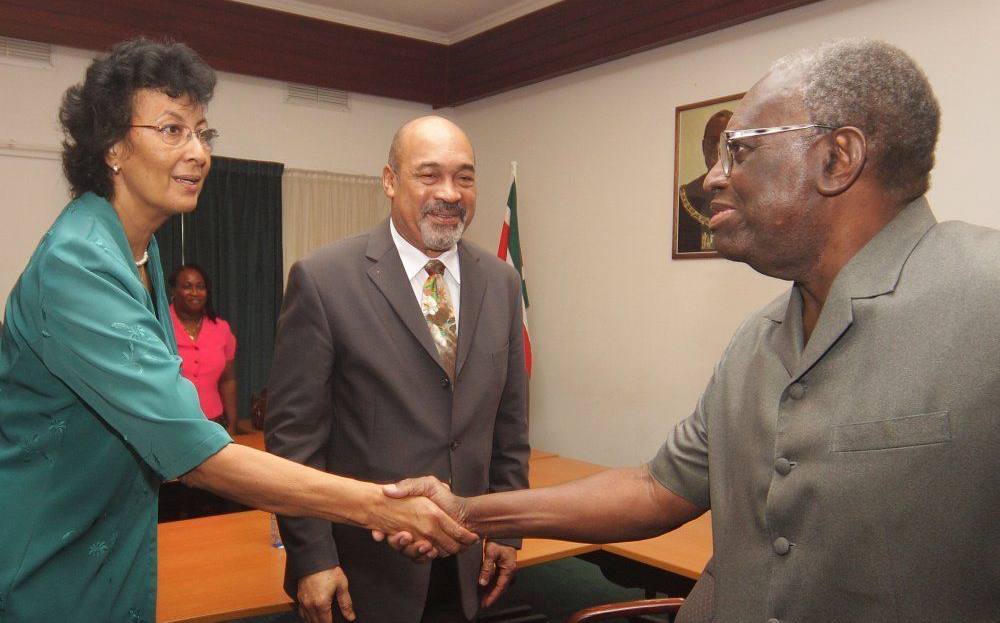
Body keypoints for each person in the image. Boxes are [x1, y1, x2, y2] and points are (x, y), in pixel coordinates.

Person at [382, 39, 999, 623]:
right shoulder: (758, 340)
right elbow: (656, 490)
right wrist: (466, 510)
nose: (712, 178)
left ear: (837, 158)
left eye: (741, 150)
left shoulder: (986, 301)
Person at [0, 39, 475, 623]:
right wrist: (381, 506)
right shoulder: (78, 264)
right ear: (113, 147)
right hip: (49, 557)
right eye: (172, 130)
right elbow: (192, 451)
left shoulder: (134, 255)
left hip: (112, 544)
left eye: (204, 133)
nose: (199, 152)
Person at [265, 115, 529, 623]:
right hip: (362, 570)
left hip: (466, 561)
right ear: (390, 181)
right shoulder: (323, 280)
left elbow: (510, 428)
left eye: (465, 177)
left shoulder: (500, 283)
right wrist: (312, 557)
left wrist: (506, 528)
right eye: (429, 175)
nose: (450, 193)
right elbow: (294, 441)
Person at [169, 263, 239, 434]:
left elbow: (227, 381)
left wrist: (232, 424)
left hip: (215, 425)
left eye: (200, 287)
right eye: (187, 287)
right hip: (173, 425)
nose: (195, 293)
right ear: (173, 292)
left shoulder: (221, 329)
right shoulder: (161, 326)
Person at [676, 109, 732, 253]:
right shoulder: (686, 196)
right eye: (711, 143)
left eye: (724, 144)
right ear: (703, 147)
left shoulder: (748, 193)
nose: (717, 151)